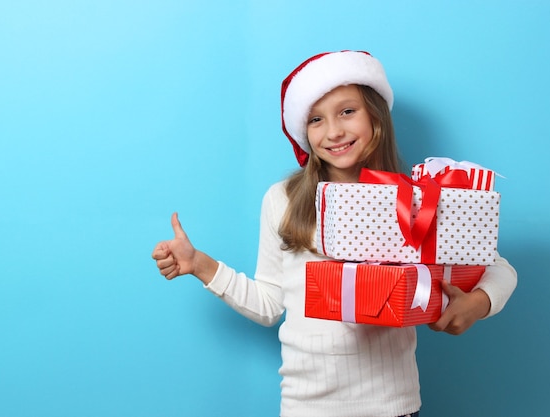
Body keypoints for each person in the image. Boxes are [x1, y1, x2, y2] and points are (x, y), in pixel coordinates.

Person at [152, 50, 517, 417]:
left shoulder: (413, 198)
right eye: (316, 119)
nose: (334, 131)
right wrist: (200, 264)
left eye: (347, 111)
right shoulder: (284, 200)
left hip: (393, 405)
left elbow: (497, 267)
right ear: (304, 133)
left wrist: (477, 303)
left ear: (375, 114)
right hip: (307, 407)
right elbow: (268, 304)